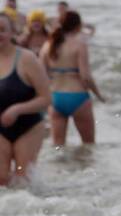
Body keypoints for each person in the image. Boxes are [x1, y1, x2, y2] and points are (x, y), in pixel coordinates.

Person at [0, 13, 51, 186]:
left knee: (23, 180)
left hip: (29, 127)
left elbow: (46, 98)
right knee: (1, 179)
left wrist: (17, 109)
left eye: (2, 30)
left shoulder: (27, 58)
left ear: (13, 32)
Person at [42, 10, 106, 147]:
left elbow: (41, 76)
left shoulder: (48, 45)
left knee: (58, 147)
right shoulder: (80, 45)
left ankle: (60, 163)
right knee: (88, 145)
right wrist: (99, 96)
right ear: (78, 26)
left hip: (55, 97)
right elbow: (86, 77)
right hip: (78, 97)